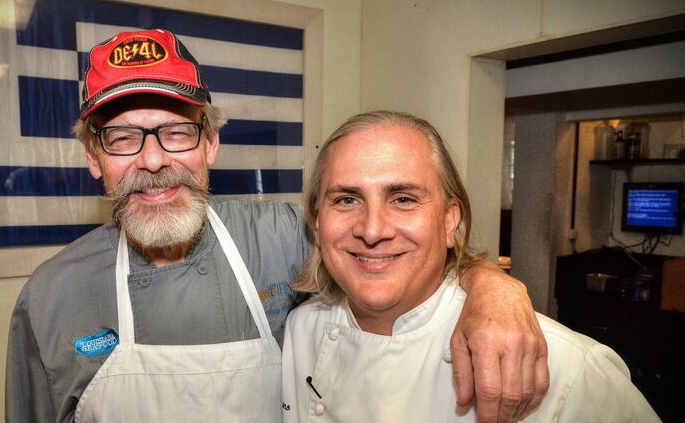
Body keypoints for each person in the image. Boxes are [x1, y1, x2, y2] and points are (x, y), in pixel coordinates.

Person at [6, 29, 547, 423]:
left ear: (211, 143)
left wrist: (494, 287)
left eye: (176, 133)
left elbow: (404, 251)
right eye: (122, 137)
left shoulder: (282, 236)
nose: (152, 162)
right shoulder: (53, 295)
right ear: (92, 156)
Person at [281, 111, 660, 423]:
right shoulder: (304, 329)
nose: (372, 230)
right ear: (317, 221)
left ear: (450, 221)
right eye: (346, 199)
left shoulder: (566, 367)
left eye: (403, 198)